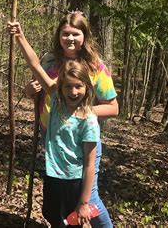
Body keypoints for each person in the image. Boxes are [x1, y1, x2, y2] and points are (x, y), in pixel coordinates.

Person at [10, 12, 118, 227]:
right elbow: (34, 66)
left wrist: (81, 113)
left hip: (82, 144)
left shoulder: (96, 68)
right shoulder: (52, 69)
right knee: (58, 207)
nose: (70, 38)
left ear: (84, 36)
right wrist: (20, 36)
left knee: (89, 199)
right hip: (55, 144)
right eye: (65, 33)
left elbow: (113, 108)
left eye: (75, 34)